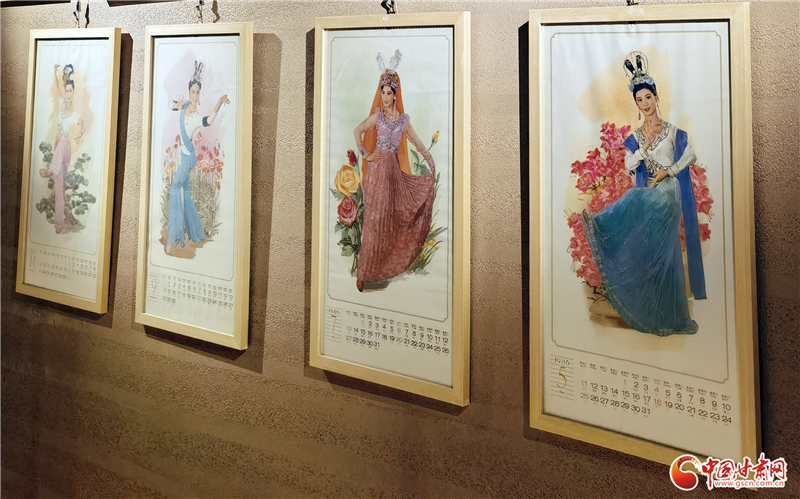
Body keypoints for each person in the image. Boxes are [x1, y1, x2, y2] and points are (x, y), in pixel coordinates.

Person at [580, 52, 706, 337]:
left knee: (633, 198)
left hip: (667, 193)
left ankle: (600, 222)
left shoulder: (672, 131)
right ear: (636, 104)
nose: (645, 103)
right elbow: (629, 164)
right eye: (640, 100)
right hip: (649, 192)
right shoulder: (637, 136)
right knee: (655, 253)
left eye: (648, 97)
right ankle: (657, 314)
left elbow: (690, 155)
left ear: (656, 97)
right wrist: (644, 147)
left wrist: (668, 172)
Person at [353, 51, 436, 292]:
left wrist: (430, 161)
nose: (385, 97)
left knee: (388, 220)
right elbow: (358, 131)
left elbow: (417, 143)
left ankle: (381, 269)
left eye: (389, 93)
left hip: (393, 175)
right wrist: (365, 153)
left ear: (395, 95)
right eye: (383, 92)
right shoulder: (377, 116)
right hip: (376, 172)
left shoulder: (403, 121)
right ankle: (363, 273)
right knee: (373, 222)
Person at [165, 61, 229, 254]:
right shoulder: (183, 105)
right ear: (189, 92)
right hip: (182, 154)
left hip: (188, 159)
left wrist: (219, 102)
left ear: (199, 94)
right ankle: (195, 233)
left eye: (197, 92)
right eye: (192, 91)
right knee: (185, 193)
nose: (194, 95)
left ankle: (173, 238)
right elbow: (170, 104)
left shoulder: (195, 117)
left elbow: (209, 121)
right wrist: (175, 105)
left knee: (175, 186)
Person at [39, 64, 83, 234]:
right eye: (67, 90)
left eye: (70, 91)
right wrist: (54, 72)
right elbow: (57, 89)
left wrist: (79, 135)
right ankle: (59, 224)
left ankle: (51, 170)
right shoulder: (61, 101)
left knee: (64, 141)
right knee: (58, 190)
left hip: (64, 151)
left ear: (74, 93)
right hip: (57, 149)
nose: (68, 93)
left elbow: (82, 124)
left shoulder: (75, 115)